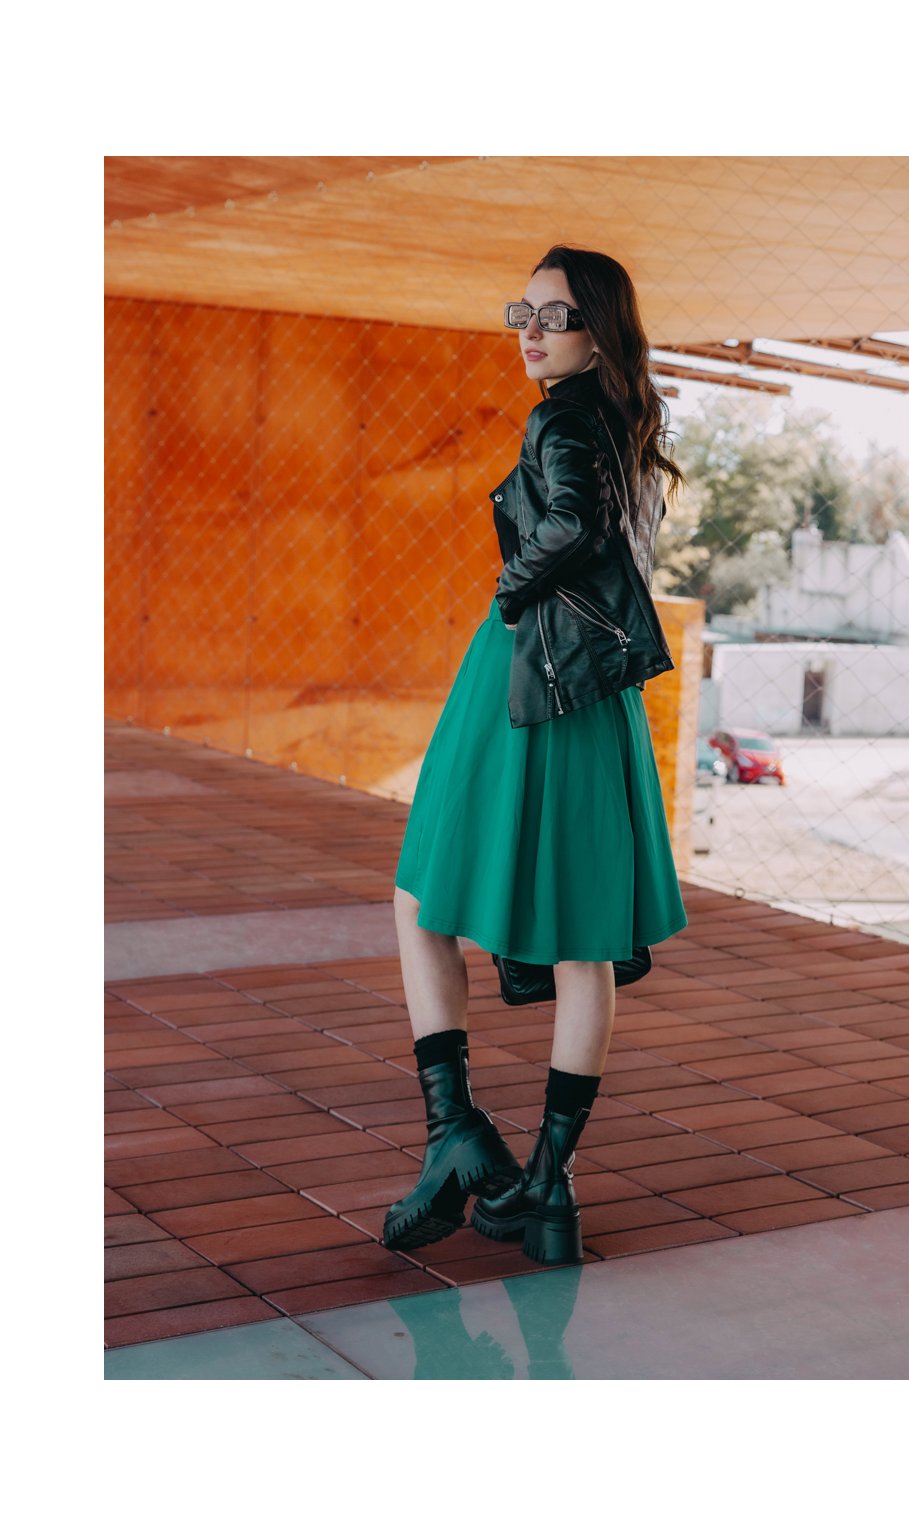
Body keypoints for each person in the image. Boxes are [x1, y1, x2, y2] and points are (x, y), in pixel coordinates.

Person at [385, 244, 688, 1267]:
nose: (531, 330)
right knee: (582, 942)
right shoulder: (620, 420)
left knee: (421, 897)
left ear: (598, 332)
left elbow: (571, 522)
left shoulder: (561, 417)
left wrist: (511, 592)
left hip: (524, 675)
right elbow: (602, 530)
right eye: (523, 311)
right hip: (595, 694)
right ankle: (548, 1189)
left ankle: (455, 1131)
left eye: (554, 316)